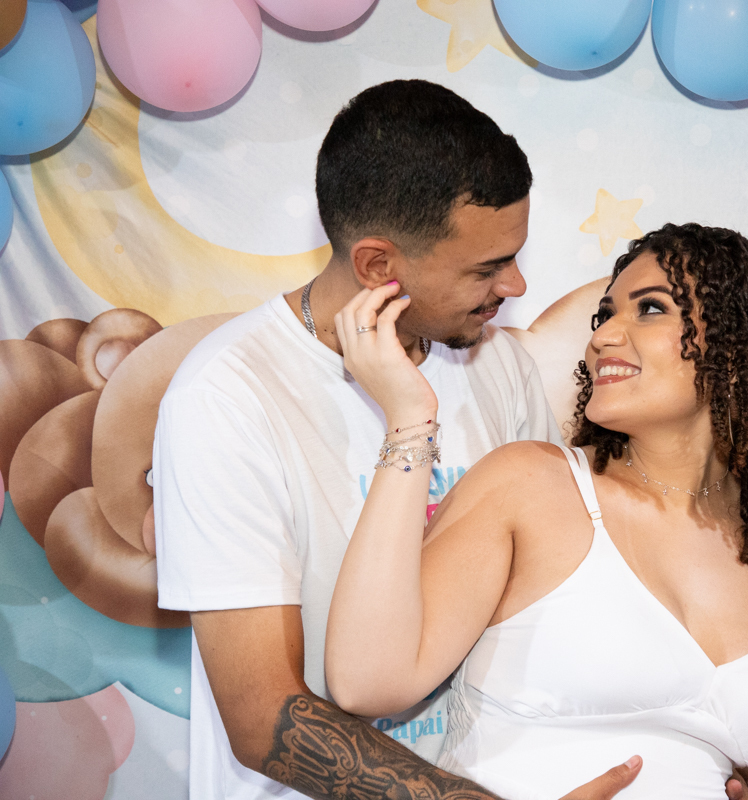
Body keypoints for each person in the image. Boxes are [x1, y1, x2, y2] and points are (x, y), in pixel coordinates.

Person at [153, 80, 645, 800]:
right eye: (486, 268)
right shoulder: (226, 397)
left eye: (514, 256)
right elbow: (264, 719)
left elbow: (550, 609)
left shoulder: (499, 366)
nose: (514, 285)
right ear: (379, 267)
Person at [326, 223, 748, 799]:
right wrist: (410, 419)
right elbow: (366, 683)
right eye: (605, 315)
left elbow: (718, 734)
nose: (604, 336)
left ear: (740, 349)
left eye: (651, 309)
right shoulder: (532, 485)